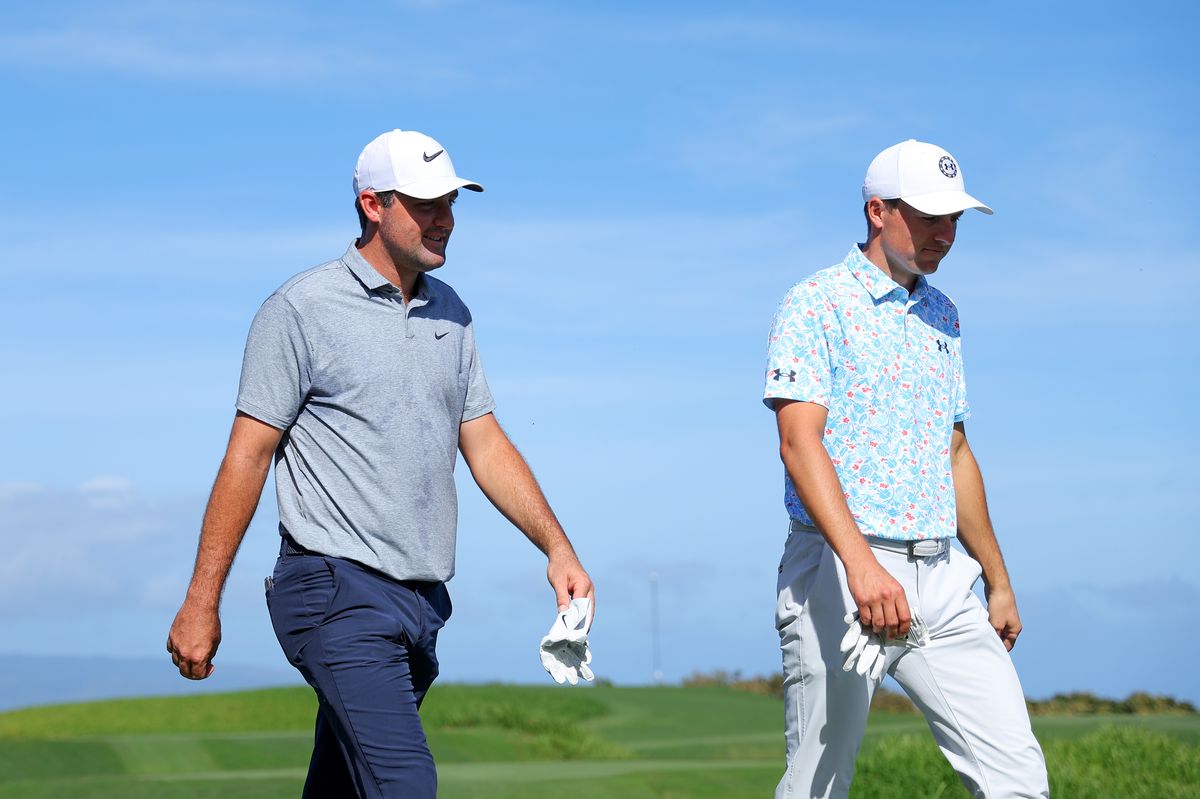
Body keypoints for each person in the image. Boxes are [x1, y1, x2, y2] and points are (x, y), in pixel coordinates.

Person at [166, 129, 593, 799]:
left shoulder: (452, 313)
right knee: (404, 783)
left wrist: (557, 546)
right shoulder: (299, 309)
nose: (446, 219)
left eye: (450, 203)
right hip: (334, 591)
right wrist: (201, 600)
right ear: (373, 204)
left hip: (421, 601)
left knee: (341, 784)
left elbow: (482, 439)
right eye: (427, 204)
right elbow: (247, 455)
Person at [763, 140, 1049, 798]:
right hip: (838, 570)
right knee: (818, 786)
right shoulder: (814, 303)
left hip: (943, 580)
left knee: (1019, 779)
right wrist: (863, 565)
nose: (945, 235)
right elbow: (799, 443)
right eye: (929, 218)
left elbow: (954, 452)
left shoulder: (944, 315)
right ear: (877, 211)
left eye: (954, 220)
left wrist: (997, 582)